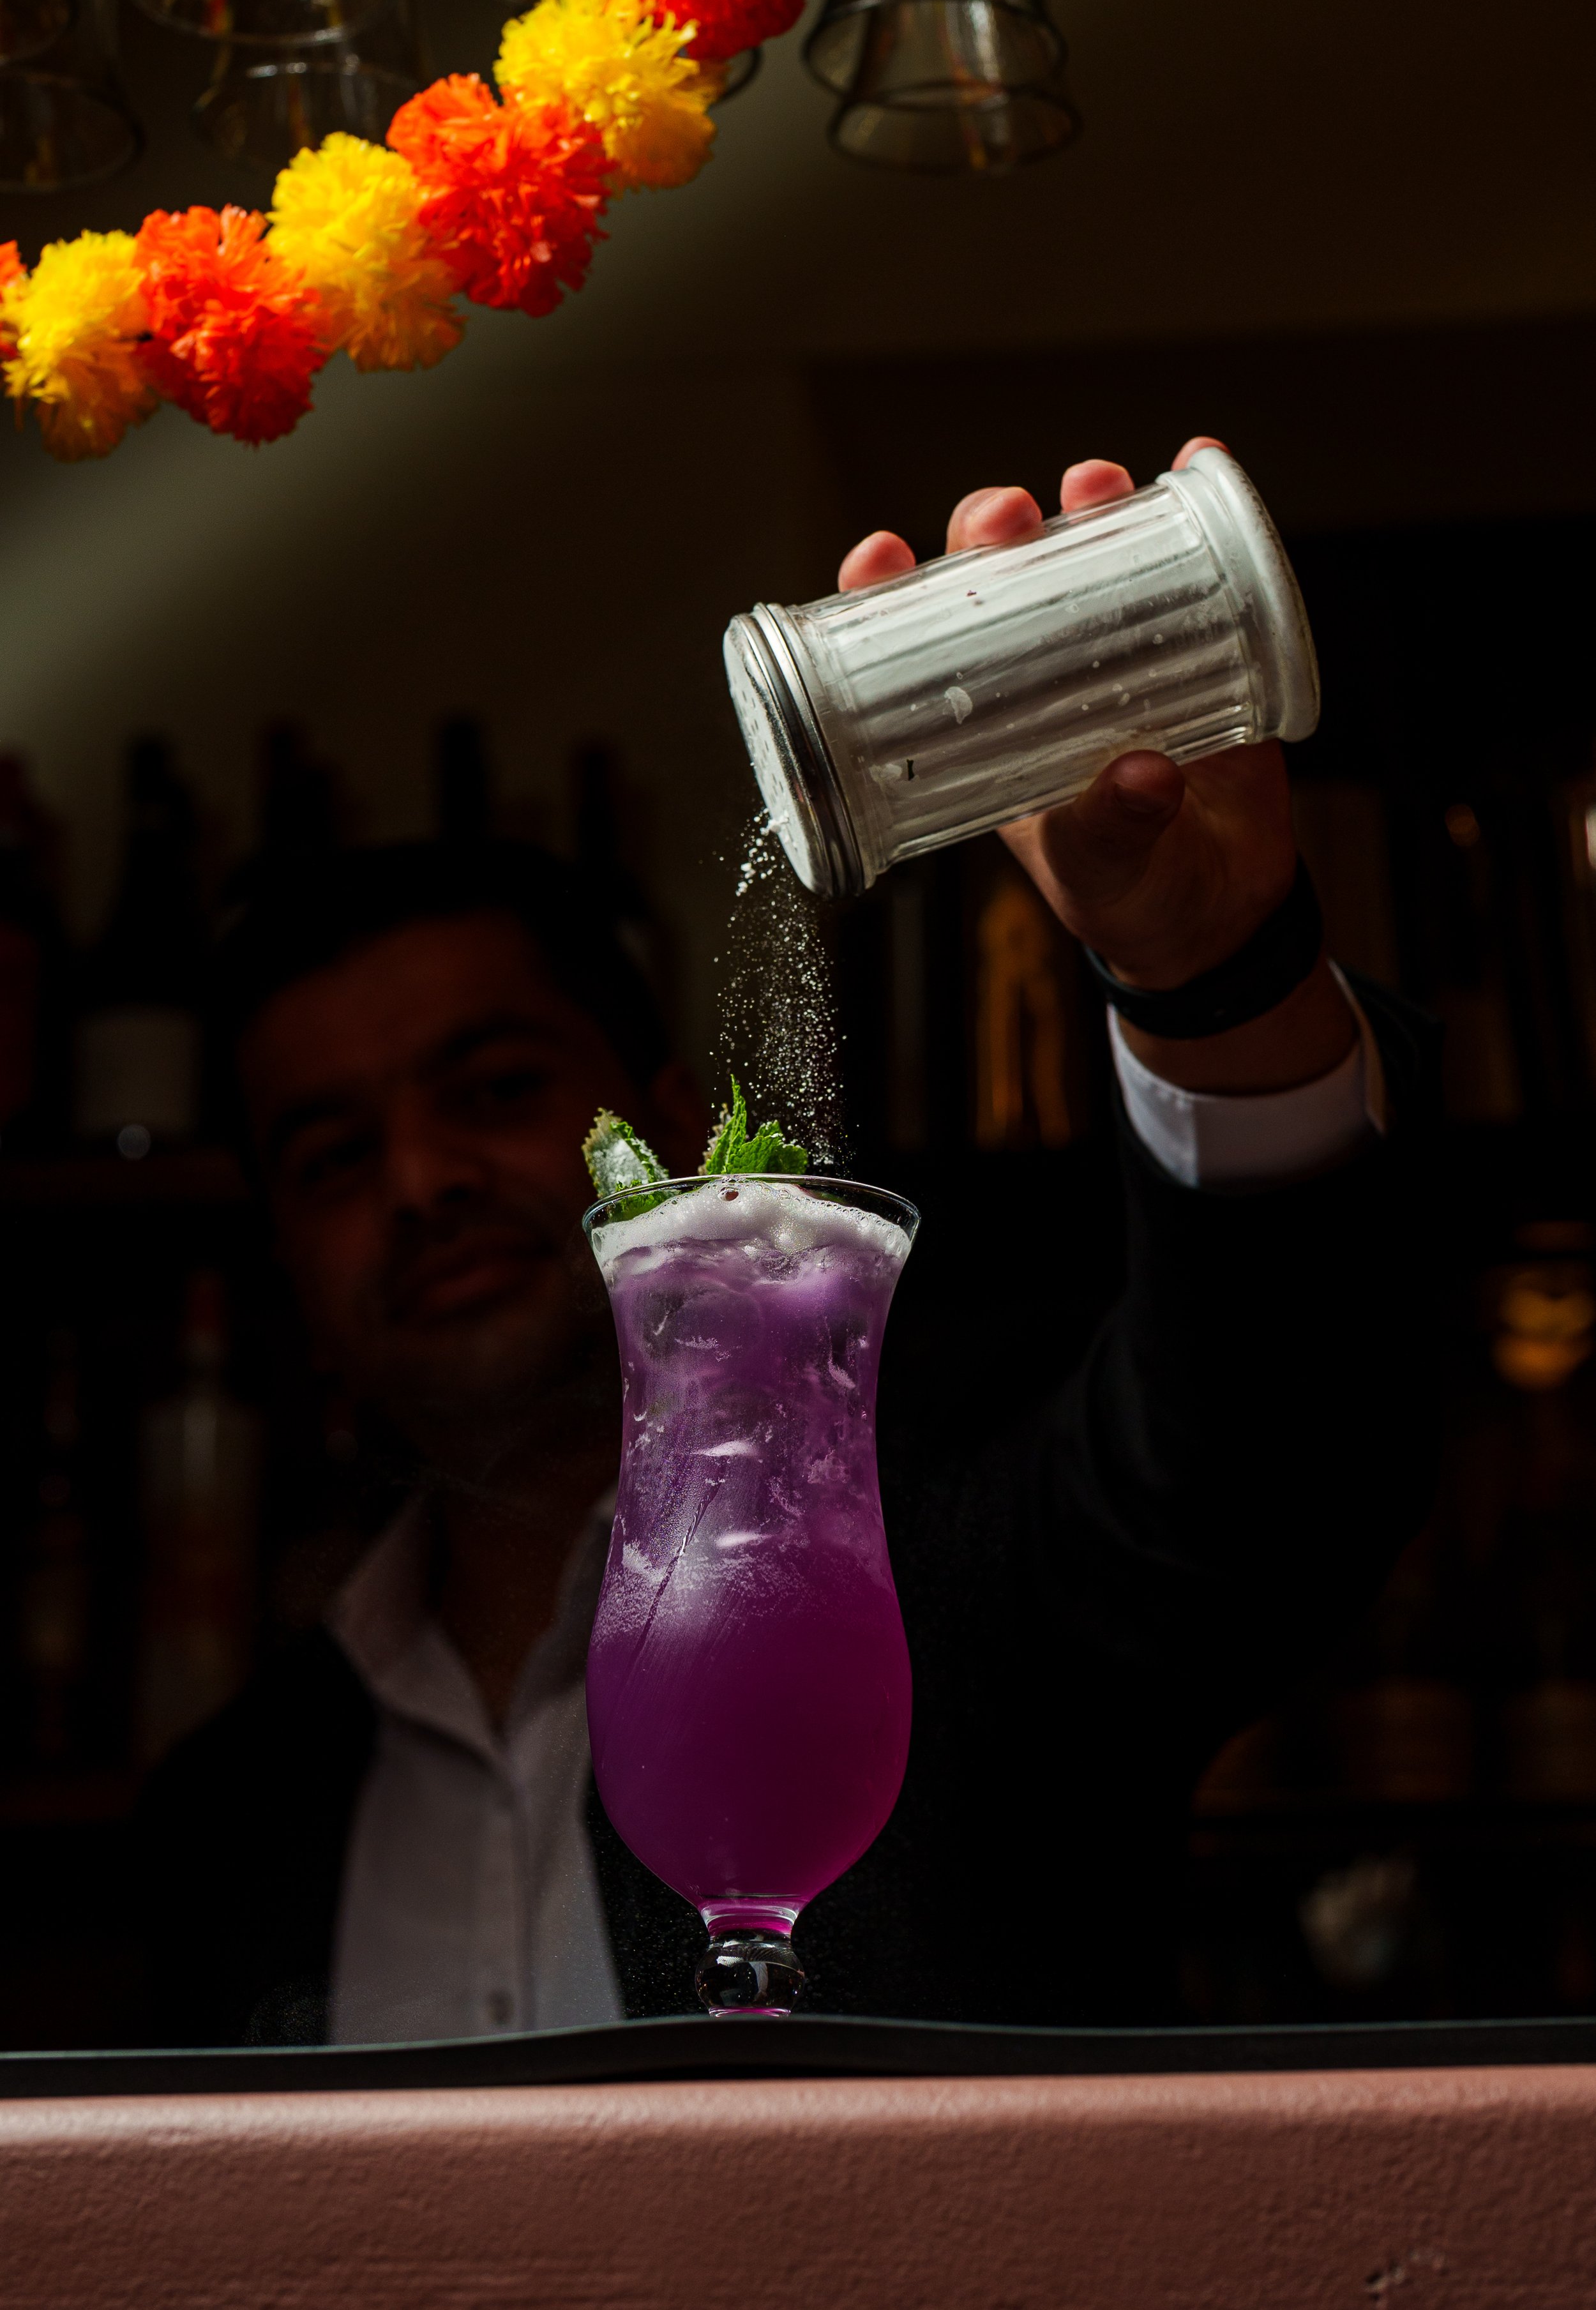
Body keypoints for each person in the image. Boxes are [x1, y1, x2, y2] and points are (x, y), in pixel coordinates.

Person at [136, 441, 1434, 2044]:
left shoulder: (953, 1565)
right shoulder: (224, 1817)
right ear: (281, 1251)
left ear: (675, 1131)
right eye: (335, 1155)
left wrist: (1210, 976)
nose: (421, 1182)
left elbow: (1261, 1480)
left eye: (493, 1088)